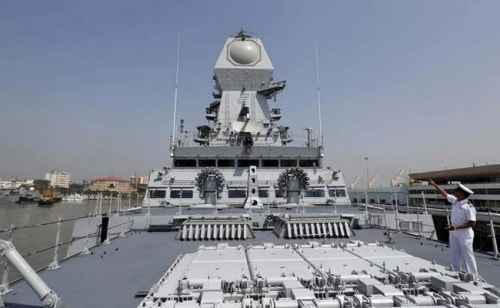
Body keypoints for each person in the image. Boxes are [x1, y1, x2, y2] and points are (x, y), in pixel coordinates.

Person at [428, 178, 478, 276]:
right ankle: (456, 271)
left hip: (465, 234)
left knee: (467, 254)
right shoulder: (456, 201)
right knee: (455, 252)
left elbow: (472, 223)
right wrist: (434, 184)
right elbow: (444, 194)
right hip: (454, 232)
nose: (455, 192)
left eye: (457, 190)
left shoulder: (468, 206)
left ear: (462, 194)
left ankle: (473, 275)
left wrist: (455, 227)